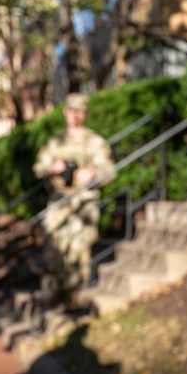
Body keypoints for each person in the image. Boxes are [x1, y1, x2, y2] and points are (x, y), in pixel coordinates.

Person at [32, 92, 114, 301]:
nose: (75, 115)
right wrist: (53, 167)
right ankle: (57, 290)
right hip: (59, 200)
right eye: (72, 111)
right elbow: (38, 167)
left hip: (84, 201)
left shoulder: (94, 142)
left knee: (79, 249)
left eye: (80, 111)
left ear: (85, 114)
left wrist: (93, 174)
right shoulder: (56, 142)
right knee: (54, 246)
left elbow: (110, 171)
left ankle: (78, 297)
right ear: (65, 112)